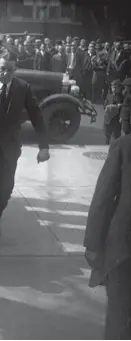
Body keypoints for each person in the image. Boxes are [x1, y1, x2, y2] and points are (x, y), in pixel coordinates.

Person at [0, 53, 50, 250]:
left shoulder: (23, 88)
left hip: (9, 149)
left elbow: (37, 116)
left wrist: (44, 146)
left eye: (9, 70)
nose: (5, 73)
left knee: (5, 191)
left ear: (15, 71)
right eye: (2, 69)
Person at [84, 134, 131, 339]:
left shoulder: (125, 145)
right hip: (124, 249)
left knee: (119, 316)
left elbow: (103, 195)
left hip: (124, 248)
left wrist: (93, 245)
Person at [103, 80, 124, 144]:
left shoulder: (122, 97)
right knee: (107, 135)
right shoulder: (109, 95)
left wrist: (121, 117)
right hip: (108, 118)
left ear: (120, 88)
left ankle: (116, 149)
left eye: (115, 87)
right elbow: (105, 105)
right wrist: (108, 106)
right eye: (113, 87)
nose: (114, 89)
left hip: (116, 119)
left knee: (116, 136)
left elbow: (123, 109)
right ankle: (106, 146)